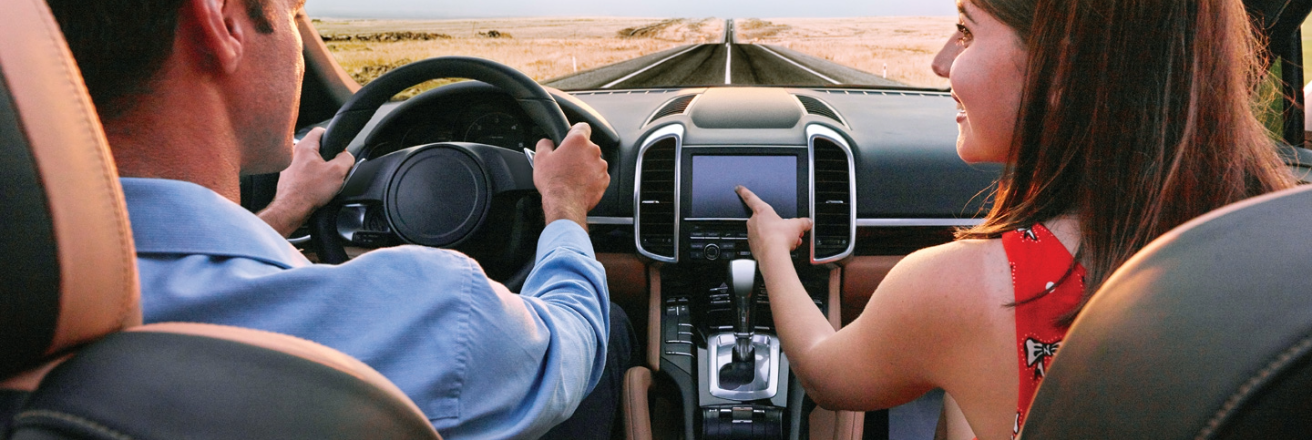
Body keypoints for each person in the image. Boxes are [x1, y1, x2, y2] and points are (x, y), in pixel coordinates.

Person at [45, 0, 629, 438]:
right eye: (292, 9)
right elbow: (567, 344)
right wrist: (565, 205)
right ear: (223, 22)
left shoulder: (43, 290)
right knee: (617, 326)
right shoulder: (441, 312)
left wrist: (285, 211)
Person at [737, 1, 1296, 440]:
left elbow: (823, 373)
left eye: (966, 30)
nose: (940, 64)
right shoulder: (1289, 233)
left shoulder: (966, 291)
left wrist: (771, 249)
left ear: (1062, 69)